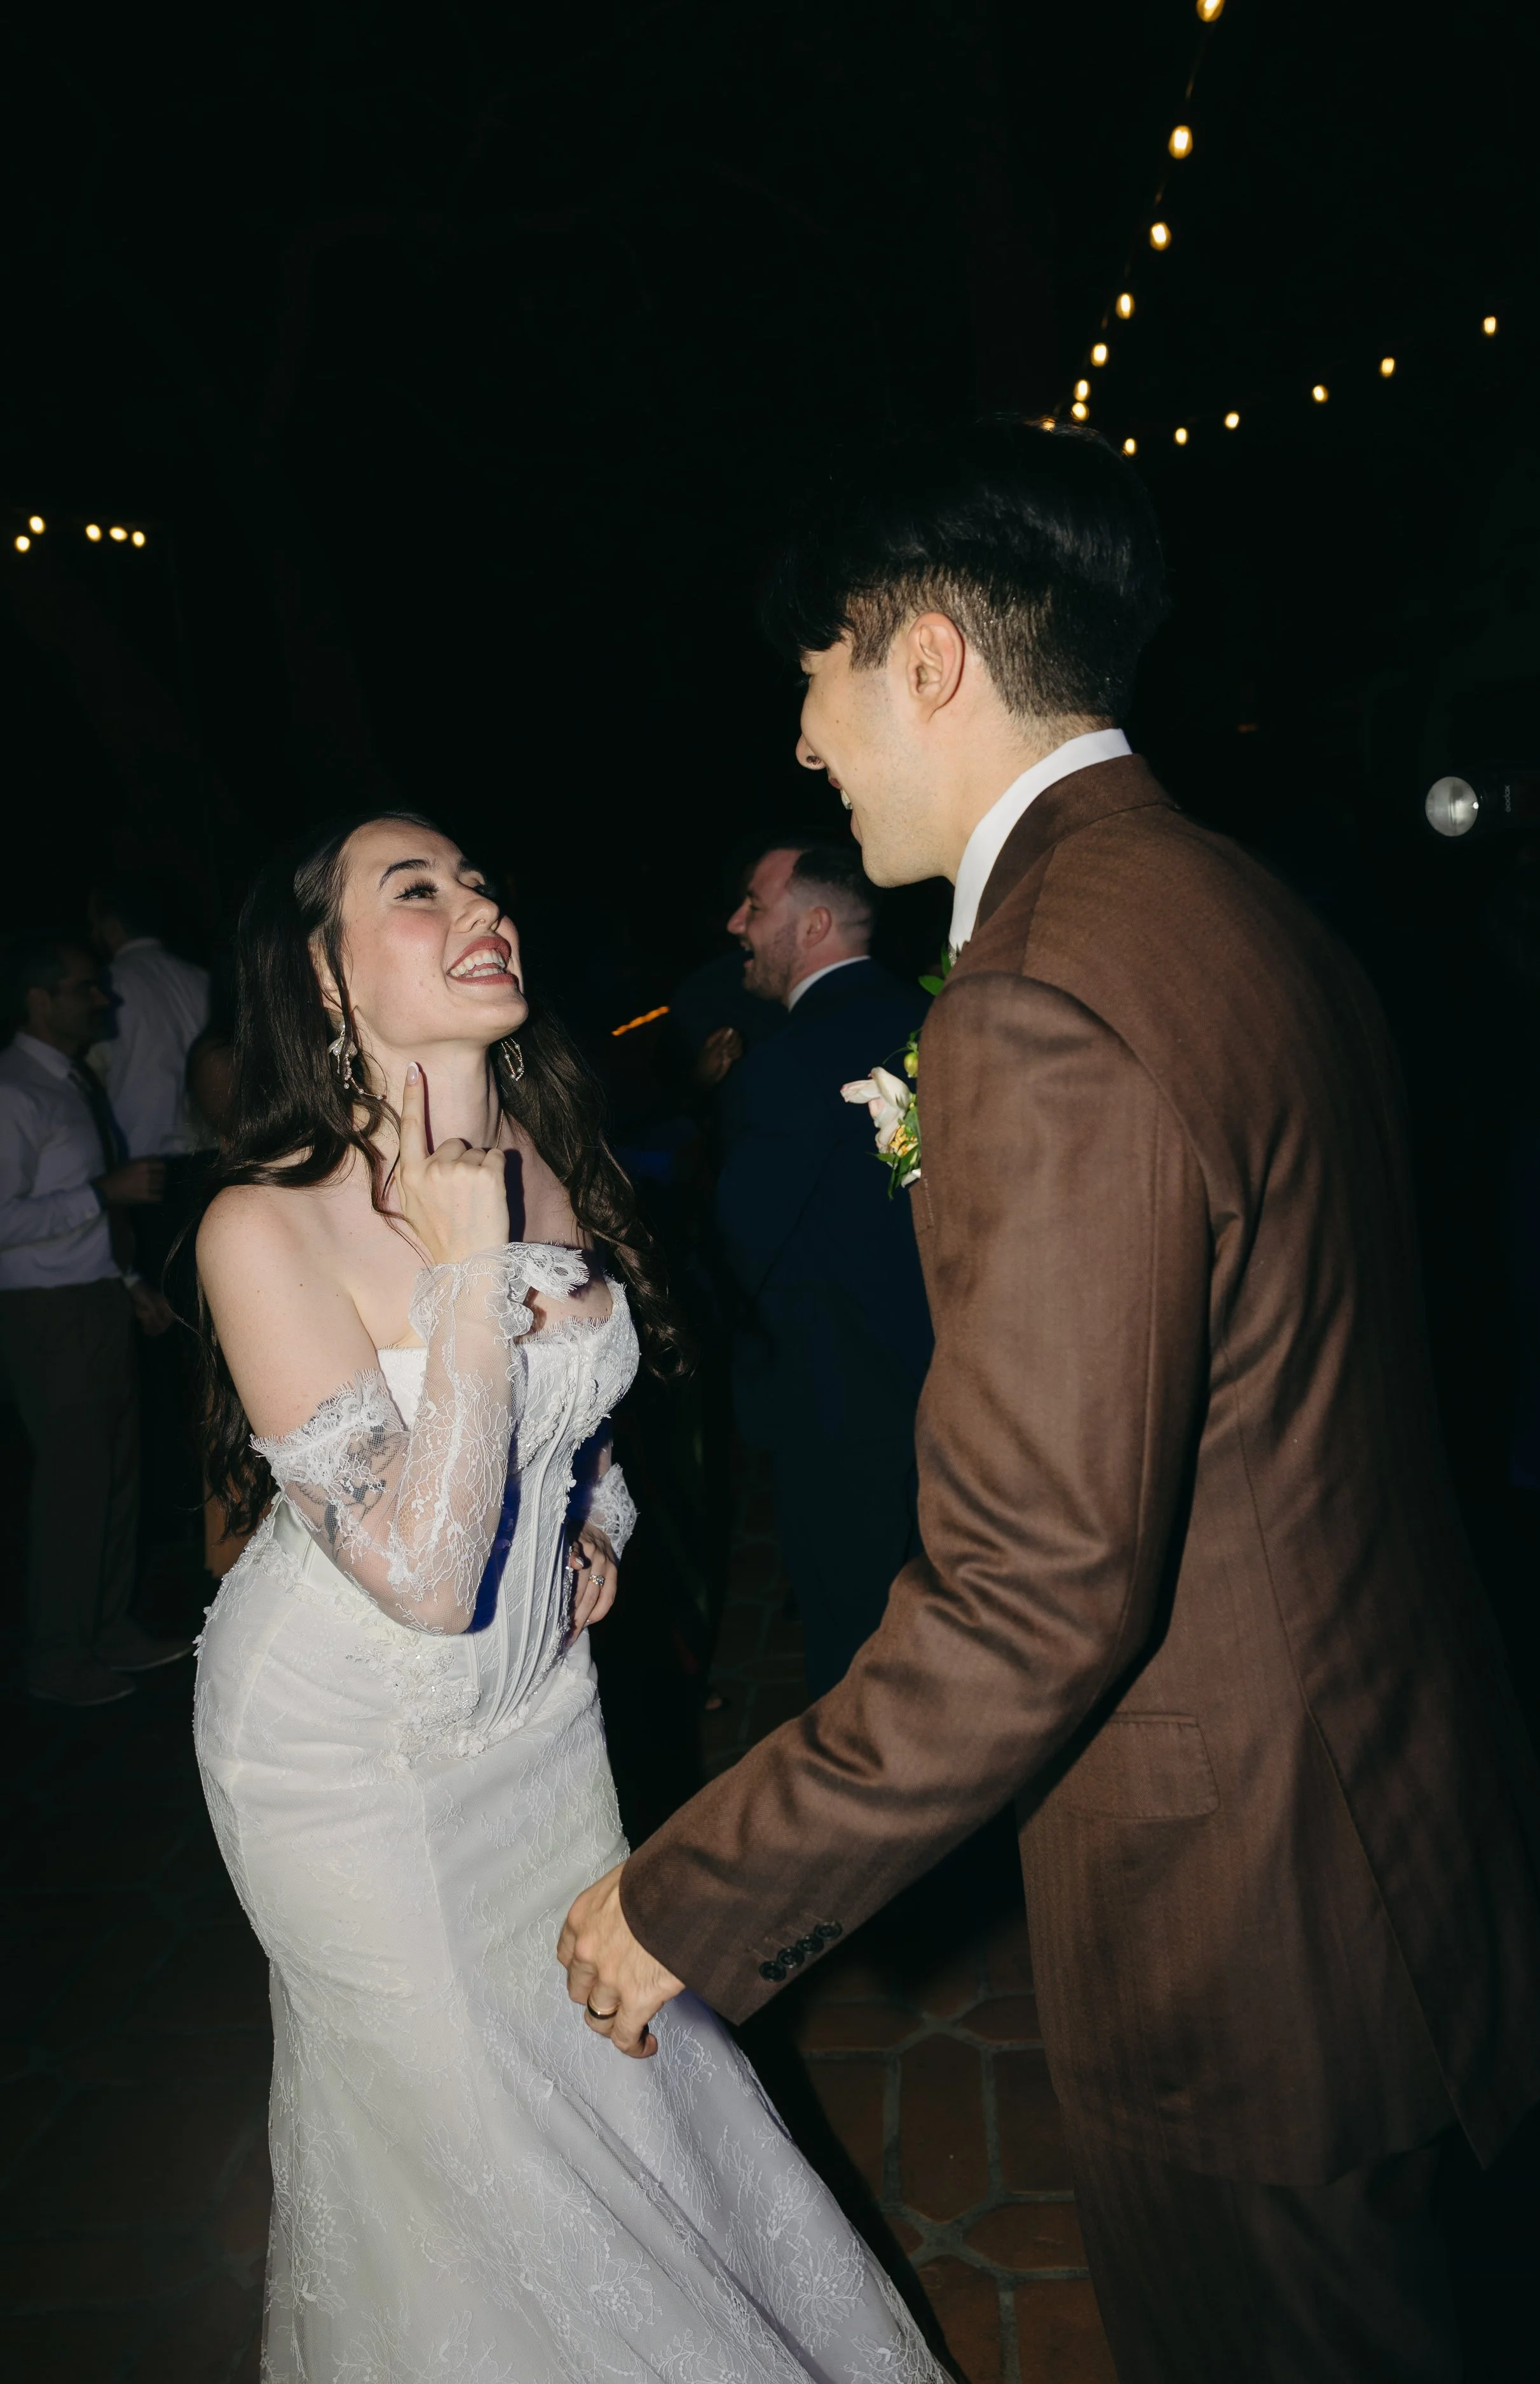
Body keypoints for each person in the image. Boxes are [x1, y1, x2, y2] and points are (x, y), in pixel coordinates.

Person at [559, 423, 1540, 2383]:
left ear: (926, 655)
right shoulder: (1236, 898)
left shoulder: (1029, 991)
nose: (799, 732)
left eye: (816, 669)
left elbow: (1033, 1593)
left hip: (1245, 1923)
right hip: (1390, 1825)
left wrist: (689, 1890)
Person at [191, 812, 946, 2383]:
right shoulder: (261, 1223)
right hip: (349, 1755)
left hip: (537, 1720)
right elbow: (416, 1570)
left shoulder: (539, 1156)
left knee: (609, 2058)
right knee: (467, 2134)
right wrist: (470, 1280)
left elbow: (582, 1415)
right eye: (417, 891)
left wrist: (592, 1512)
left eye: (479, 880)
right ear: (325, 982)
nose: (478, 905)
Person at [714, 839, 932, 1694]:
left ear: (813, 925)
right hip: (963, 1402)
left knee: (863, 1674)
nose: (736, 923)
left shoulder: (779, 1071)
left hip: (844, 1424)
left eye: (754, 906)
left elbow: (743, 1255)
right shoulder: (941, 1020)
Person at [0, 936, 189, 1703]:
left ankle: (106, 1629)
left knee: (115, 1474)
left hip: (93, 1297)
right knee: (74, 1488)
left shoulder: (63, 1084)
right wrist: (104, 1194)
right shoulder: (13, 1091)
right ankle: (56, 1655)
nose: (103, 1000)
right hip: (48, 1314)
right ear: (40, 1000)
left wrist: (128, 1278)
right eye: (86, 988)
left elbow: (69, 1206)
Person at [87, 877, 210, 1170]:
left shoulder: (105, 986)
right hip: (208, 1150)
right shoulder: (201, 978)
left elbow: (93, 1071)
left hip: (142, 1160)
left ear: (112, 927)